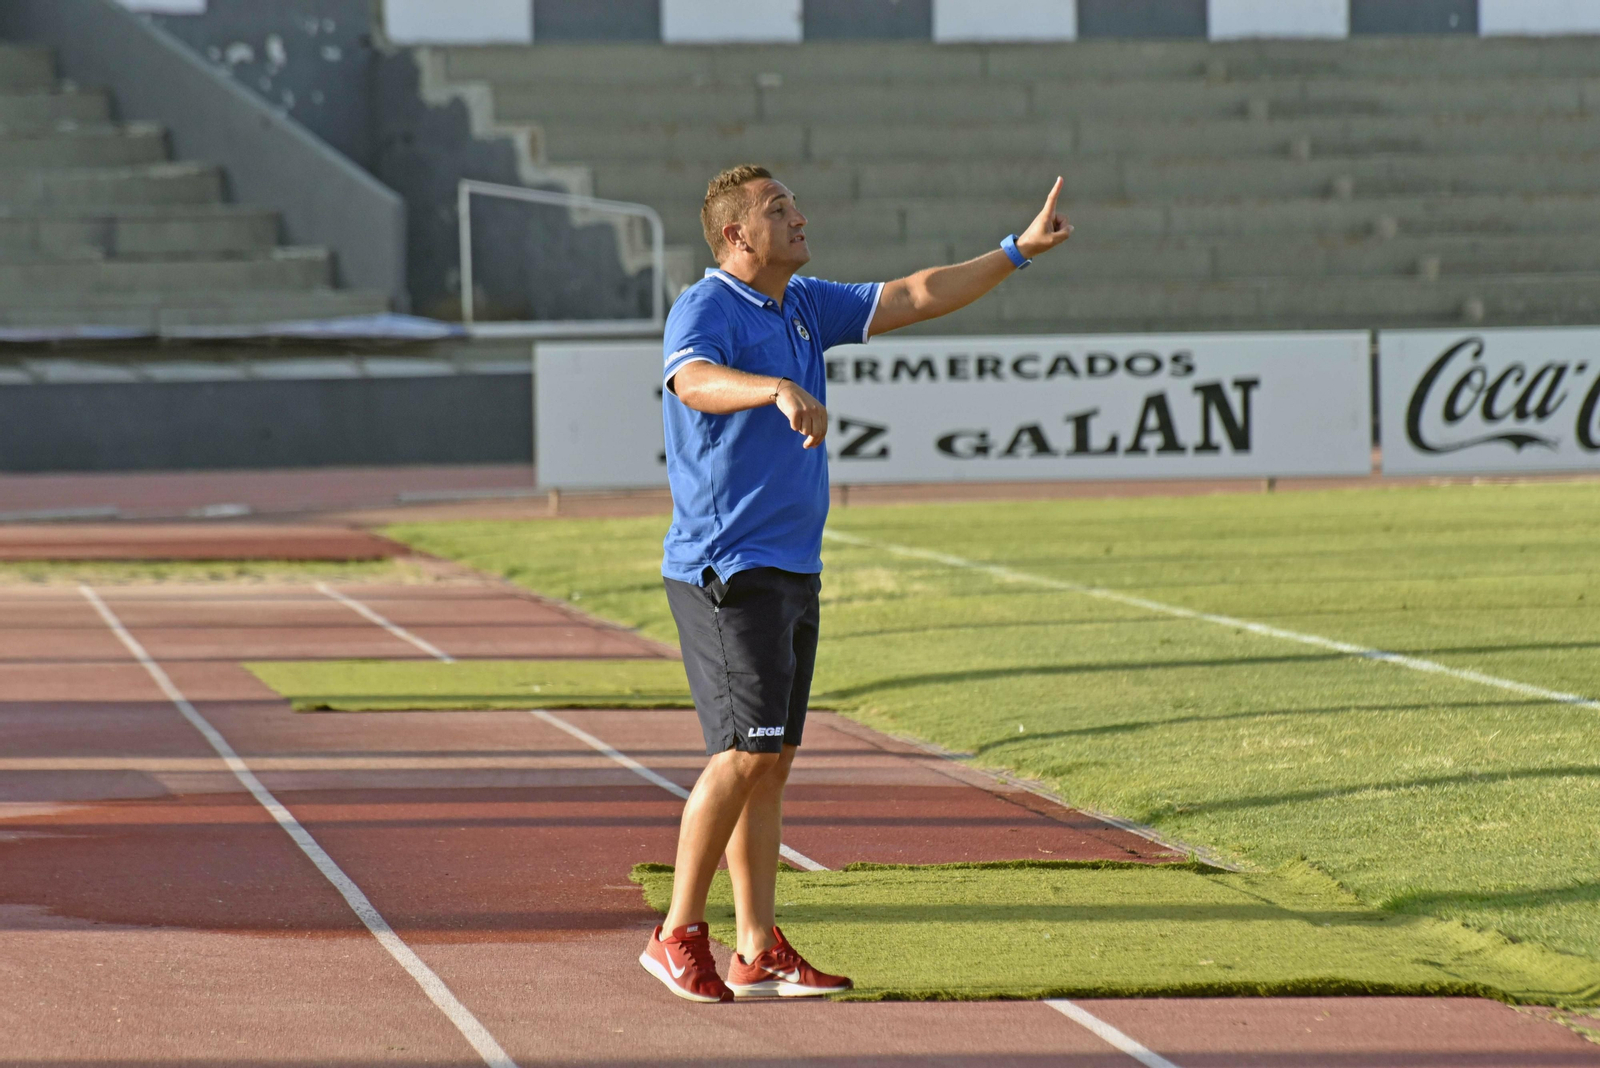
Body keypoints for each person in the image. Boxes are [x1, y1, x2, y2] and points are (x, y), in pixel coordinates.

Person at [640, 164, 1073, 1003]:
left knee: (772, 758)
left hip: (793, 567)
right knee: (739, 754)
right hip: (726, 568)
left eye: (795, 203)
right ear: (736, 235)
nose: (799, 216)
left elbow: (912, 294)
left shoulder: (802, 303)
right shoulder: (707, 307)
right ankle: (674, 933)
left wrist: (1015, 251)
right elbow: (689, 380)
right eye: (778, 209)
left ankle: (756, 948)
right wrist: (773, 388)